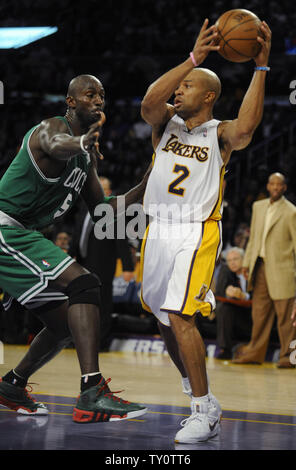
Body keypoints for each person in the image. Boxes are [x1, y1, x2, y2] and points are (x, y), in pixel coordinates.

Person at [140, 18, 271, 443]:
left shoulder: (220, 135)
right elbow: (148, 103)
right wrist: (193, 59)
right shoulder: (164, 123)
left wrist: (261, 68)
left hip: (195, 232)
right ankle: (196, 388)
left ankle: (202, 409)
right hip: (157, 228)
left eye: (189, 85)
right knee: (161, 314)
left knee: (180, 314)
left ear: (210, 96)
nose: (179, 90)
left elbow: (247, 128)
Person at [0, 74, 150, 422]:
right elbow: (56, 145)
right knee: (85, 283)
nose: (98, 100)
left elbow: (103, 211)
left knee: (67, 322)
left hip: (20, 236)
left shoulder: (85, 160)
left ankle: (12, 384)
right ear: (71, 102)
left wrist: (148, 182)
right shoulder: (51, 129)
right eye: (89, 94)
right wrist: (82, 142)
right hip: (5, 230)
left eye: (102, 95)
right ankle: (91, 392)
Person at [232, 173, 296, 368]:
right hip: (259, 266)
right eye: (272, 184)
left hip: (283, 269)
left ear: (284, 188)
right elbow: (254, 239)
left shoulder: (291, 211)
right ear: (268, 186)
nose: (275, 187)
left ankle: (289, 357)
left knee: (286, 317)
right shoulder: (257, 207)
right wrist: (246, 263)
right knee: (259, 314)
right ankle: (254, 353)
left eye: (279, 185)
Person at [78, 176, 135, 349]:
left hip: (103, 266)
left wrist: (127, 267)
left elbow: (121, 241)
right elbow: (77, 236)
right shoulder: (84, 208)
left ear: (109, 192)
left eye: (102, 188)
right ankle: (81, 341)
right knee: (82, 305)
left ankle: (101, 342)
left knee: (102, 305)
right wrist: (72, 255)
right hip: (82, 265)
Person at [215, 247, 252, 360]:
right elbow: (220, 292)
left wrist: (243, 296)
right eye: (229, 260)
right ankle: (225, 350)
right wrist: (228, 293)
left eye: (235, 259)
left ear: (243, 259)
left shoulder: (252, 271)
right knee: (224, 307)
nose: (232, 263)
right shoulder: (226, 272)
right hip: (236, 315)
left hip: (252, 314)